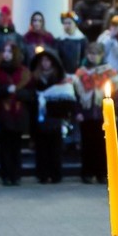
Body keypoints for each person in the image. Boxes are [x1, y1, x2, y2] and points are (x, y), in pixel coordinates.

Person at [75, 42, 117, 185]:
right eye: (91, 54)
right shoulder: (81, 72)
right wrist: (78, 111)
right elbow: (76, 94)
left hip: (102, 114)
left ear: (101, 55)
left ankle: (102, 173)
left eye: (96, 54)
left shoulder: (109, 71)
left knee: (103, 145)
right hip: (86, 114)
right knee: (87, 145)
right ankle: (87, 173)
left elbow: (116, 92)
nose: (93, 57)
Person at [27, 47, 71, 183]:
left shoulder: (59, 79)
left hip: (55, 118)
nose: (45, 63)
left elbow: (66, 99)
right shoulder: (34, 78)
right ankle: (43, 174)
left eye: (48, 60)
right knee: (41, 149)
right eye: (43, 60)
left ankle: (56, 174)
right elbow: (30, 97)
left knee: (55, 149)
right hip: (39, 119)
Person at [0, 41, 30, 186]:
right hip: (3, 111)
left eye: (9, 51)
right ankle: (5, 175)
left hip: (19, 112)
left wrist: (18, 92)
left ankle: (16, 175)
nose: (6, 54)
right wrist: (5, 90)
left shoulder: (24, 73)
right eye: (4, 51)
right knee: (4, 145)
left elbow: (31, 94)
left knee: (16, 145)